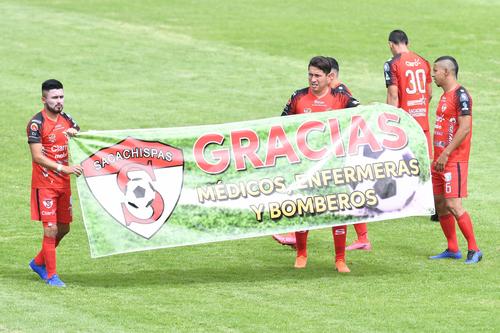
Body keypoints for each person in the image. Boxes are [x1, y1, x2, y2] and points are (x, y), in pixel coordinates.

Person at [272, 56, 361, 250]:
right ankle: (301, 251)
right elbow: (281, 125)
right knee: (302, 206)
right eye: (310, 74)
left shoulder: (341, 97)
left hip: (333, 164)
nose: (312, 79)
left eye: (317, 75)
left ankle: (342, 256)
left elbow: (362, 117)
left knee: (337, 207)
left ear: (329, 77)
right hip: (304, 164)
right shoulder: (298, 96)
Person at [27, 79, 83, 287]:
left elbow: (79, 132)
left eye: (61, 97)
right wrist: (64, 168)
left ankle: (39, 262)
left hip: (63, 184)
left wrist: (75, 134)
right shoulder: (36, 124)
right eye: (54, 98)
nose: (59, 102)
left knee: (64, 228)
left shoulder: (66, 118)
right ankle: (51, 275)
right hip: (45, 184)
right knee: (50, 229)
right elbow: (37, 157)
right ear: (44, 99)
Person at [428, 56, 482, 264]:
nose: (433, 75)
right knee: (440, 204)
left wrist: (446, 153)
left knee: (453, 204)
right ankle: (452, 248)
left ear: (447, 72)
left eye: (435, 71)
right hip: (439, 159)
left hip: (453, 160)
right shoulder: (444, 95)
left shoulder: (461, 95)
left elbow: (465, 127)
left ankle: (474, 249)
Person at [383, 29, 440, 223]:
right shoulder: (423, 61)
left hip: (404, 122)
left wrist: (391, 122)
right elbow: (430, 93)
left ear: (391, 44)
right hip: (421, 119)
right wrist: (420, 109)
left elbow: (393, 95)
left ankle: (396, 202)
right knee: (425, 161)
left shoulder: (392, 64)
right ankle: (435, 205)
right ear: (407, 42)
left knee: (394, 160)